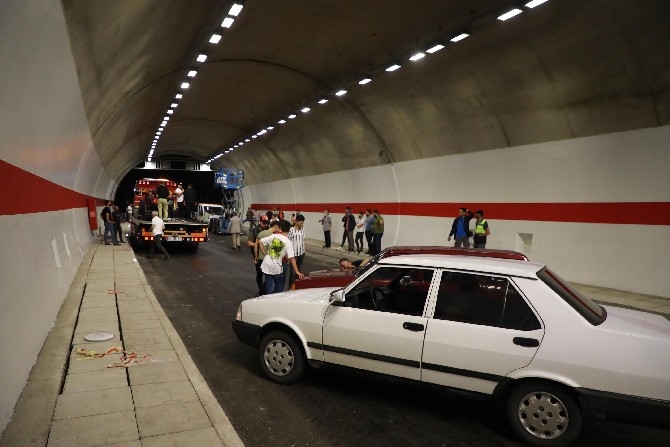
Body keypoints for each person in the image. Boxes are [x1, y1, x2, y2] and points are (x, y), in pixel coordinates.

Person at [257, 220, 304, 294]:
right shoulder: (288, 242)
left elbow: (260, 242)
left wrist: (264, 253)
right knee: (279, 285)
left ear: (280, 228)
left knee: (268, 284)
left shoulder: (273, 236)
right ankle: (276, 299)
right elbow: (292, 258)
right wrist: (297, 271)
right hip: (276, 266)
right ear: (289, 230)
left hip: (267, 262)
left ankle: (268, 299)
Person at [248, 216, 269, 296]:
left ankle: (263, 290)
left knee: (268, 274)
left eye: (267, 223)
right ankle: (261, 288)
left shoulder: (269, 231)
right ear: (260, 222)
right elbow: (249, 242)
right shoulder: (254, 231)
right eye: (264, 223)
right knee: (259, 274)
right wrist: (258, 244)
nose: (266, 225)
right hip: (257, 256)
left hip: (267, 256)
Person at [287, 214, 306, 289]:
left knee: (299, 272)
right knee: (292, 272)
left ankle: (296, 287)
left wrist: (304, 251)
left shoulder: (303, 229)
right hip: (293, 255)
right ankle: (290, 288)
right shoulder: (291, 230)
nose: (302, 224)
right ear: (297, 222)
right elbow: (288, 242)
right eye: (301, 223)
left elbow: (303, 241)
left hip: (301, 253)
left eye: (303, 223)